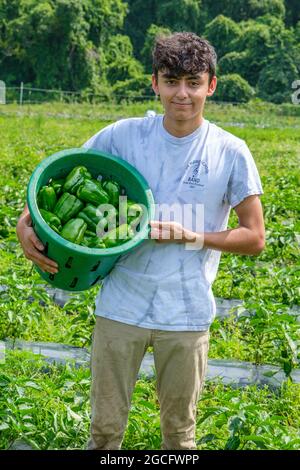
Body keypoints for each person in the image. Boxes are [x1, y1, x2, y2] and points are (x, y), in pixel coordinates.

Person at [16, 32, 265, 450]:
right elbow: (62, 176)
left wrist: (193, 236)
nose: (181, 93)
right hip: (122, 306)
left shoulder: (230, 151)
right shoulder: (123, 135)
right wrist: (25, 224)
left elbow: (254, 236)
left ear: (211, 85)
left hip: (186, 312)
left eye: (192, 82)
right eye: (171, 81)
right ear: (155, 83)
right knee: (105, 431)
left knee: (179, 435)